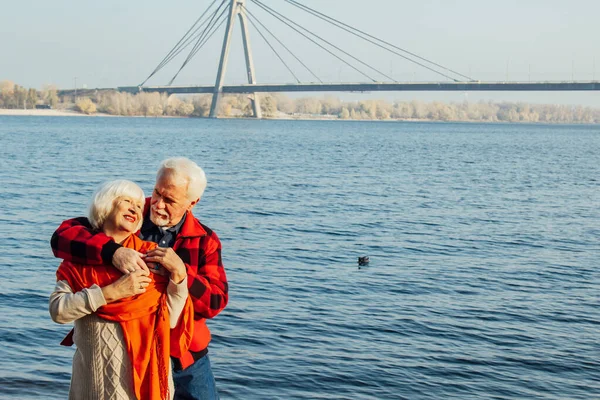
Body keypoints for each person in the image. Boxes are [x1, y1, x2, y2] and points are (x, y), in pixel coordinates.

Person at [50, 157, 228, 400]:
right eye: (157, 193)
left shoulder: (205, 239)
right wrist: (113, 252)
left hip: (184, 355)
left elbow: (216, 302)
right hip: (126, 347)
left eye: (170, 200)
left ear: (192, 202)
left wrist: (182, 272)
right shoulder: (128, 212)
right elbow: (63, 236)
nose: (158, 204)